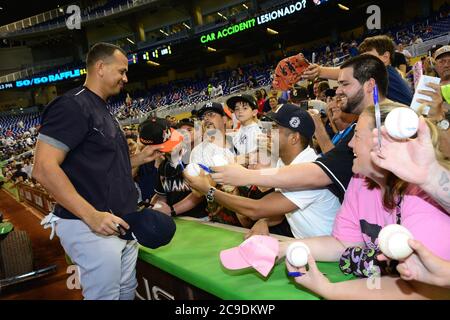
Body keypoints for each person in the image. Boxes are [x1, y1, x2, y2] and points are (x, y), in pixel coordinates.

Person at [32, 43, 163, 300]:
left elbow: (103, 167)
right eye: (121, 71)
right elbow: (43, 168)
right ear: (100, 67)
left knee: (125, 292)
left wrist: (138, 159)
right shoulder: (72, 105)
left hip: (121, 221)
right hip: (91, 225)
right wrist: (91, 216)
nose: (126, 78)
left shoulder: (102, 108)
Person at [282, 102, 450, 299]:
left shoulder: (422, 195)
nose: (350, 144)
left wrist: (328, 289)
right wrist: (282, 248)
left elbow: (422, 289)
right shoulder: (361, 180)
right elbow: (344, 242)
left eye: (358, 136)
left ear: (382, 144)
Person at [211, 55, 389, 204]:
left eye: (344, 84)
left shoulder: (388, 120)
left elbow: (317, 174)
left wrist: (248, 176)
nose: (338, 91)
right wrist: (318, 71)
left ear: (370, 85)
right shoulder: (361, 125)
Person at [185, 104, 341, 239]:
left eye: (275, 129)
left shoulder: (307, 167)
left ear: (294, 138)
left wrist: (208, 190)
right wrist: (264, 221)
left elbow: (256, 209)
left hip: (330, 251)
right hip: (304, 242)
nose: (267, 134)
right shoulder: (283, 162)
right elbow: (279, 211)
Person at [301, 35, 413, 106]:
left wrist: (319, 70)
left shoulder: (384, 73)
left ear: (385, 57)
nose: (362, 62)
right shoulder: (388, 73)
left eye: (368, 57)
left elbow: (348, 72)